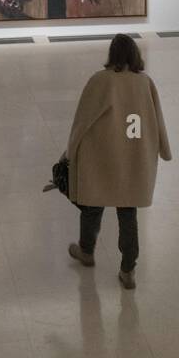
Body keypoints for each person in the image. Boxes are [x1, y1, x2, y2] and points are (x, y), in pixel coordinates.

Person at [64, 34, 172, 289]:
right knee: (127, 212)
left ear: (112, 54)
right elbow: (157, 119)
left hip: (102, 154)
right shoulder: (145, 82)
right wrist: (165, 150)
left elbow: (82, 120)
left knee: (92, 205)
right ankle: (127, 269)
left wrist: (70, 151)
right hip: (133, 157)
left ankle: (87, 250)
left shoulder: (100, 81)